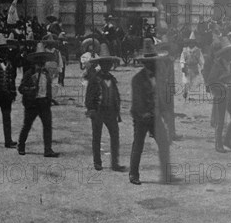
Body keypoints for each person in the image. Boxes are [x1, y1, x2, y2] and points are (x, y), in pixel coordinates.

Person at [129, 39, 181, 185]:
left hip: (155, 117)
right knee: (138, 145)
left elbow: (160, 98)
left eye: (154, 61)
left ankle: (166, 175)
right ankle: (133, 174)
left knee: (164, 144)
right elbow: (137, 102)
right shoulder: (137, 79)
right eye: (150, 62)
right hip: (140, 118)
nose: (153, 64)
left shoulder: (159, 77)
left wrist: (165, 112)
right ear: (145, 63)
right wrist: (145, 113)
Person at [85, 44, 125, 172]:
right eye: (105, 63)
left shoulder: (112, 79)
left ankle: (115, 163)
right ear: (100, 64)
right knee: (97, 136)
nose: (107, 66)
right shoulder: (94, 79)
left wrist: (117, 110)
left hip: (111, 112)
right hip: (98, 111)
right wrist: (91, 110)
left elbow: (115, 96)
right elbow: (89, 97)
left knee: (115, 136)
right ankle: (97, 162)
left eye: (109, 63)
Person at [17, 42, 59, 157]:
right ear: (34, 63)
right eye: (38, 63)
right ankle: (21, 145)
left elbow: (48, 88)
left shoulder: (46, 74)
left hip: (44, 102)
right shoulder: (29, 74)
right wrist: (31, 89)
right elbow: (21, 88)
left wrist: (50, 99)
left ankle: (48, 149)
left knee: (47, 126)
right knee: (27, 125)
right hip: (32, 103)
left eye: (43, 63)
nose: (41, 65)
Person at [206, 36, 231, 153]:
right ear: (225, 53)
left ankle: (227, 141)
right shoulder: (218, 64)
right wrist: (222, 87)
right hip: (221, 94)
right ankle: (218, 144)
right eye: (230, 52)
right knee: (220, 120)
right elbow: (211, 81)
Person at [180, 32, 205, 102]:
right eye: (190, 42)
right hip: (187, 67)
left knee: (194, 82)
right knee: (186, 82)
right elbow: (182, 59)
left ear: (195, 43)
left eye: (193, 42)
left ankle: (190, 95)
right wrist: (182, 66)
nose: (192, 44)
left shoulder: (198, 51)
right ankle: (185, 91)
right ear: (188, 43)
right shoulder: (185, 50)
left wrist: (202, 67)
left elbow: (201, 60)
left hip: (194, 68)